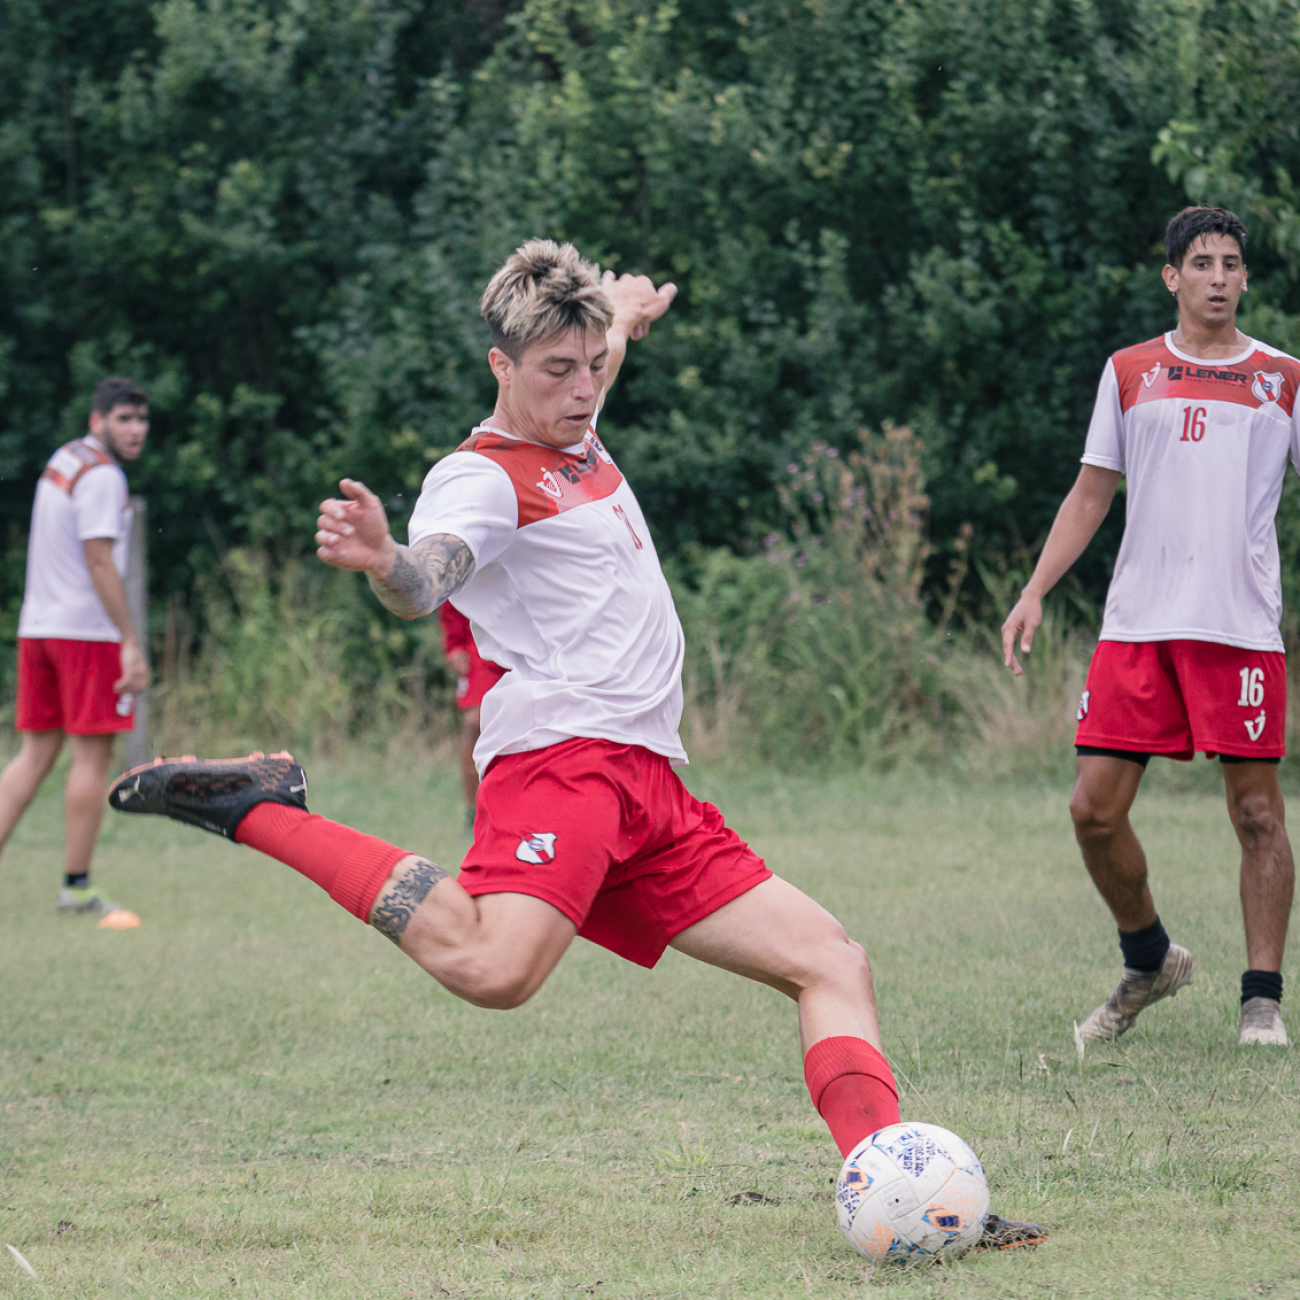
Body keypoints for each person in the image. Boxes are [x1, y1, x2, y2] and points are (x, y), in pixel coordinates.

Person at [110, 241, 1040, 1248]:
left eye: (593, 365)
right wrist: (385, 559)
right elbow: (429, 574)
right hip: (565, 765)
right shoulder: (482, 477)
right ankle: (259, 806)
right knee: (493, 970)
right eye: (557, 369)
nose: (583, 388)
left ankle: (906, 1193)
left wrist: (621, 318)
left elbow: (596, 354)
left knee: (830, 961)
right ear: (500, 366)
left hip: (647, 784)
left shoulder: (578, 420)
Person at [1002, 206, 1298, 1048]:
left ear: (1245, 278)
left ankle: (1261, 1002)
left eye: (1231, 264)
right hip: (1140, 627)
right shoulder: (1131, 370)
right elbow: (1092, 492)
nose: (1216, 277)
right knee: (1092, 810)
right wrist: (1032, 590)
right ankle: (1149, 959)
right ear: (1172, 277)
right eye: (1200, 262)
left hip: (1240, 629)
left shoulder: (1283, 376)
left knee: (1256, 816)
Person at [0, 375, 150, 919]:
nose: (135, 430)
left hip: (37, 625)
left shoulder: (64, 459)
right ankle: (78, 888)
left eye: (141, 420)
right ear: (98, 420)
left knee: (35, 754)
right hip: (85, 633)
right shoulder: (104, 476)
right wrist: (130, 641)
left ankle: (76, 884)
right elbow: (100, 560)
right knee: (93, 755)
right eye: (123, 419)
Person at [437, 602, 506, 823]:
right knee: (473, 722)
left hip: (534, 642)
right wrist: (454, 643)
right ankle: (472, 812)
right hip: (481, 646)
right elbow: (455, 583)